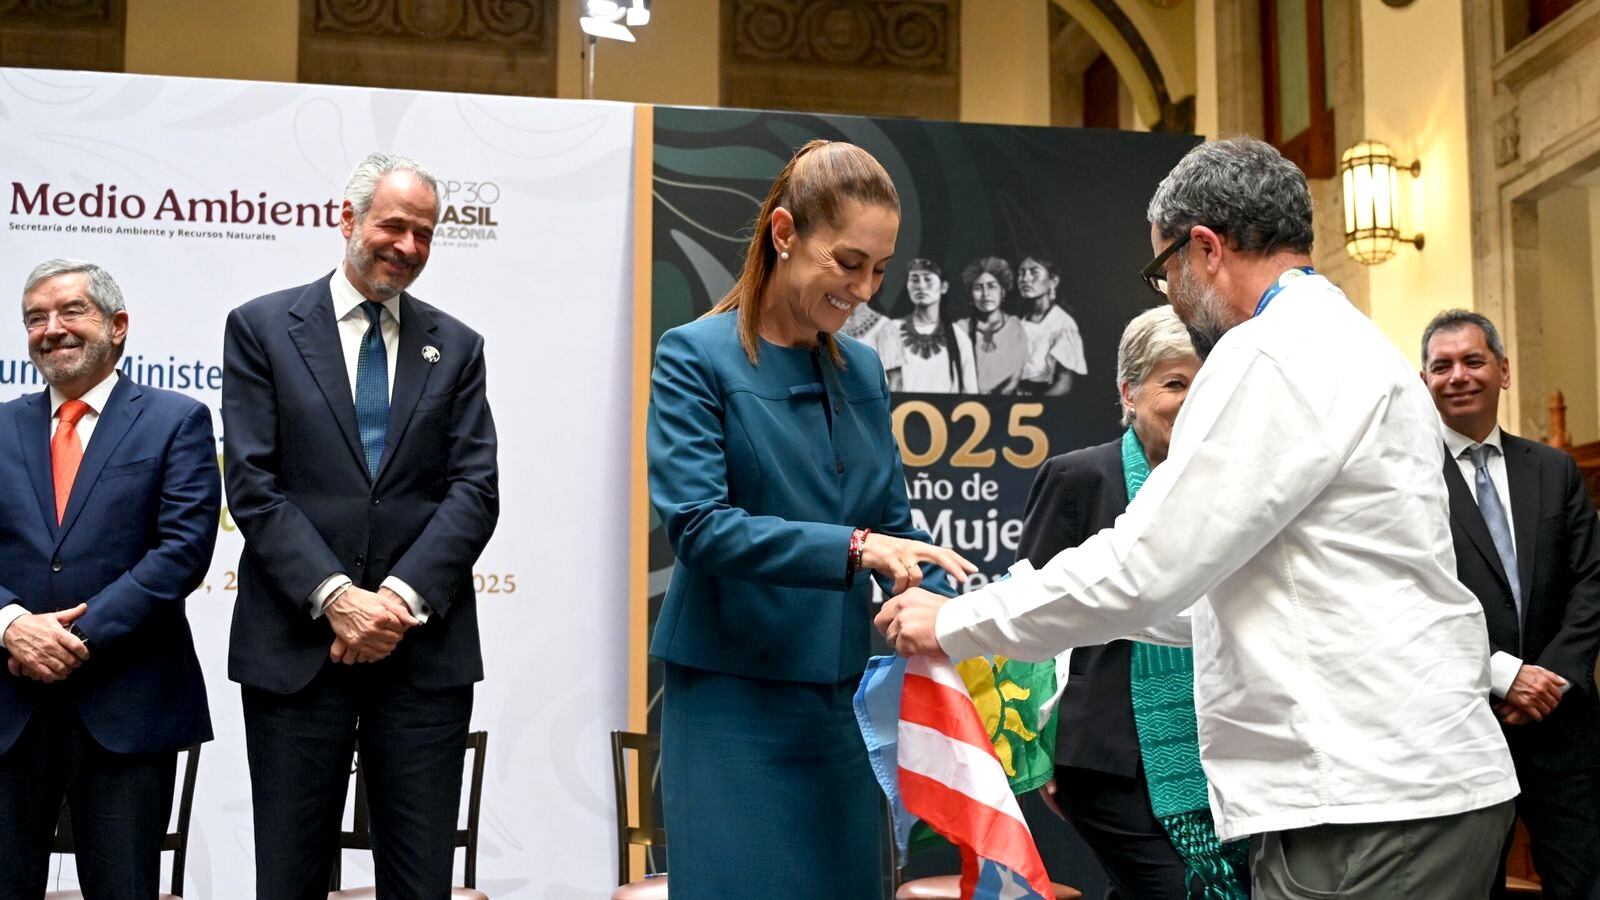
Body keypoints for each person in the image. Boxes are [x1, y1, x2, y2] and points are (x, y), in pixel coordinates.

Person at [877, 137, 1519, 899]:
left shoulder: (1269, 353)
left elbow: (1146, 567)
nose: (1172, 299)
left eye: (1164, 271)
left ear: (1206, 248)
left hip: (1367, 802)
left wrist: (958, 620)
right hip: (1402, 784)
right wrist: (1010, 615)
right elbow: (1214, 598)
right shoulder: (1352, 341)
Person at [646, 139, 977, 900]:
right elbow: (698, 526)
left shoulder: (863, 368)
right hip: (732, 703)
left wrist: (969, 613)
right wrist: (856, 548)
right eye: (848, 262)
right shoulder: (694, 356)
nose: (864, 289)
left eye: (880, 269)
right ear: (785, 232)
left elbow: (895, 528)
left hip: (843, 707)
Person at [223, 152, 499, 899]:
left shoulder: (458, 346)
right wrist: (337, 596)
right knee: (290, 877)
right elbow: (252, 485)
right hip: (296, 649)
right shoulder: (262, 329)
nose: (408, 246)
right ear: (347, 220)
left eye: (424, 233)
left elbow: (475, 491)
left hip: (421, 654)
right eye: (394, 225)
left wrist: (396, 601)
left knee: (420, 881)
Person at [0, 259, 219, 899]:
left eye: (72, 311)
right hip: (8, 706)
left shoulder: (176, 420)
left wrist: (70, 638)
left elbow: (181, 551)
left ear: (117, 326)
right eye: (36, 318)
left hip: (128, 703)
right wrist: (12, 625)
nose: (52, 329)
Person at [1023, 306, 1244, 899]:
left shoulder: (1235, 483)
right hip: (1106, 756)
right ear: (1129, 392)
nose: (1192, 400)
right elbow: (1032, 614)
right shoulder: (1079, 478)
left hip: (1222, 747)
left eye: (1204, 383)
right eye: (1174, 383)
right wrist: (1041, 745)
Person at [1421, 309, 1600, 900]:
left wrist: (1553, 678)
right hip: (1464, 723)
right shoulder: (1407, 482)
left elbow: (1590, 581)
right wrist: (1502, 674)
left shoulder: (1553, 468)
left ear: (1503, 371)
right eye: (1442, 366)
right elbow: (1415, 597)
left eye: (1473, 361)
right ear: (1424, 382)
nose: (1458, 376)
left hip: (1562, 724)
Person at [876, 257, 977, 393]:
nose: (921, 286)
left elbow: (970, 392)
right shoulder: (892, 330)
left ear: (943, 287)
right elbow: (890, 386)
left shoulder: (959, 336)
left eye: (928, 279)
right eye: (914, 280)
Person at [1016, 255, 1087, 395]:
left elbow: (1064, 383)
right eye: (1021, 273)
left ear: (1053, 281)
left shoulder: (1062, 324)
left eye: (1034, 272)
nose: (1025, 279)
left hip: (1043, 399)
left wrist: (1036, 405)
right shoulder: (1020, 322)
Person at [956, 256, 1027, 394]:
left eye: (992, 286)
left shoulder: (1015, 326)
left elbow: (1015, 377)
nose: (985, 294)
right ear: (971, 295)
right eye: (978, 288)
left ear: (1003, 292)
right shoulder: (961, 328)